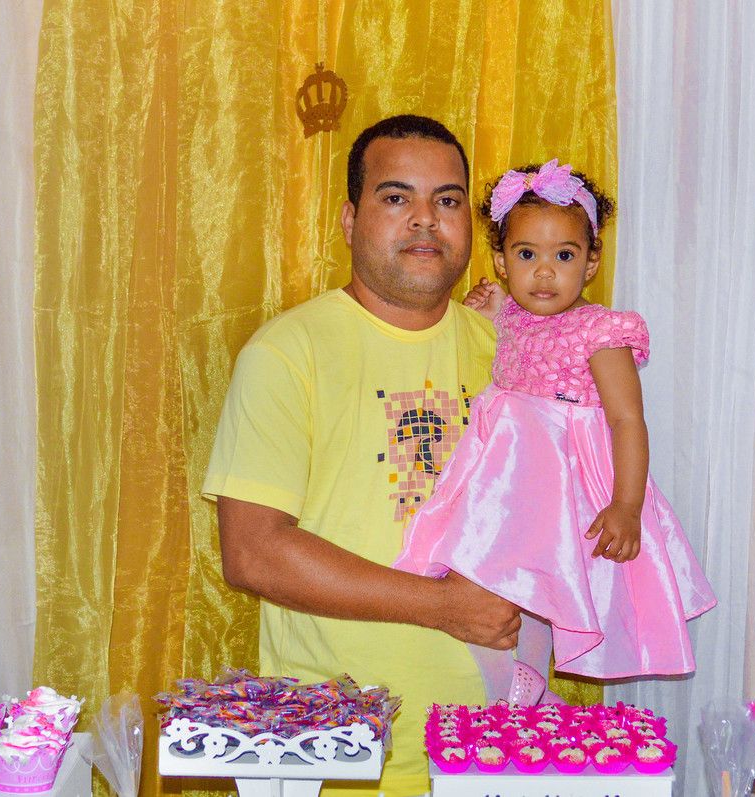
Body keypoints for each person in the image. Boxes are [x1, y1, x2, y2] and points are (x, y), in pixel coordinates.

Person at [202, 115, 521, 797]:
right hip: (337, 757)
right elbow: (253, 551)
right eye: (396, 196)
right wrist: (443, 606)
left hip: (497, 751)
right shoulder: (287, 353)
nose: (426, 219)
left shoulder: (509, 353)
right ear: (350, 220)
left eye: (447, 199)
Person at [394, 159, 717, 705]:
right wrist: (493, 308)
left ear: (591, 262)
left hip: (561, 478)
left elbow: (627, 420)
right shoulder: (514, 315)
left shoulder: (601, 331)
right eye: (527, 255)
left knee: (546, 581)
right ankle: (518, 684)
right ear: (501, 261)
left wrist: (627, 506)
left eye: (563, 256)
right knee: (492, 575)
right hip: (503, 475)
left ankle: (525, 684)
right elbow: (516, 334)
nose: (544, 273)